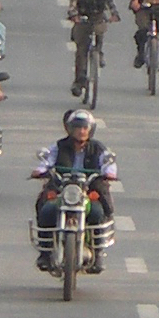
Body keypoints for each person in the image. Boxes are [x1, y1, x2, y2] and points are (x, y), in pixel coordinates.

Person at [31, 107, 116, 273]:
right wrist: (40, 170)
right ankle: (45, 253)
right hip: (63, 188)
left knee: (98, 211)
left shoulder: (98, 148)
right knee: (46, 209)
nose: (82, 131)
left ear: (90, 130)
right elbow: (47, 160)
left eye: (85, 128)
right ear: (70, 129)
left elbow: (108, 162)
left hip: (88, 188)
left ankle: (98, 253)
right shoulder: (59, 146)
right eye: (78, 127)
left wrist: (109, 173)